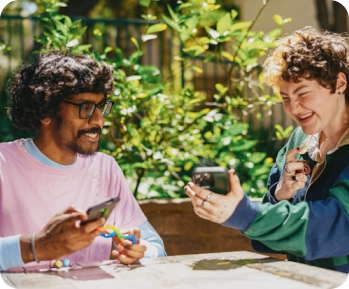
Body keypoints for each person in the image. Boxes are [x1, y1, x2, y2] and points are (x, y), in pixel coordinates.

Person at [184, 26, 349, 273]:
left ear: (339, 83)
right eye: (285, 98)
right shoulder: (300, 141)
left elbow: (334, 228)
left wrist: (243, 214)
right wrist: (281, 194)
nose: (294, 108)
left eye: (302, 93)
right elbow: (264, 241)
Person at [0, 49, 166, 271]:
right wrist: (36, 247)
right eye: (85, 108)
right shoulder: (4, 164)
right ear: (45, 111)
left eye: (100, 107)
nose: (99, 121)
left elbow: (157, 248)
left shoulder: (105, 167)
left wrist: (136, 250)